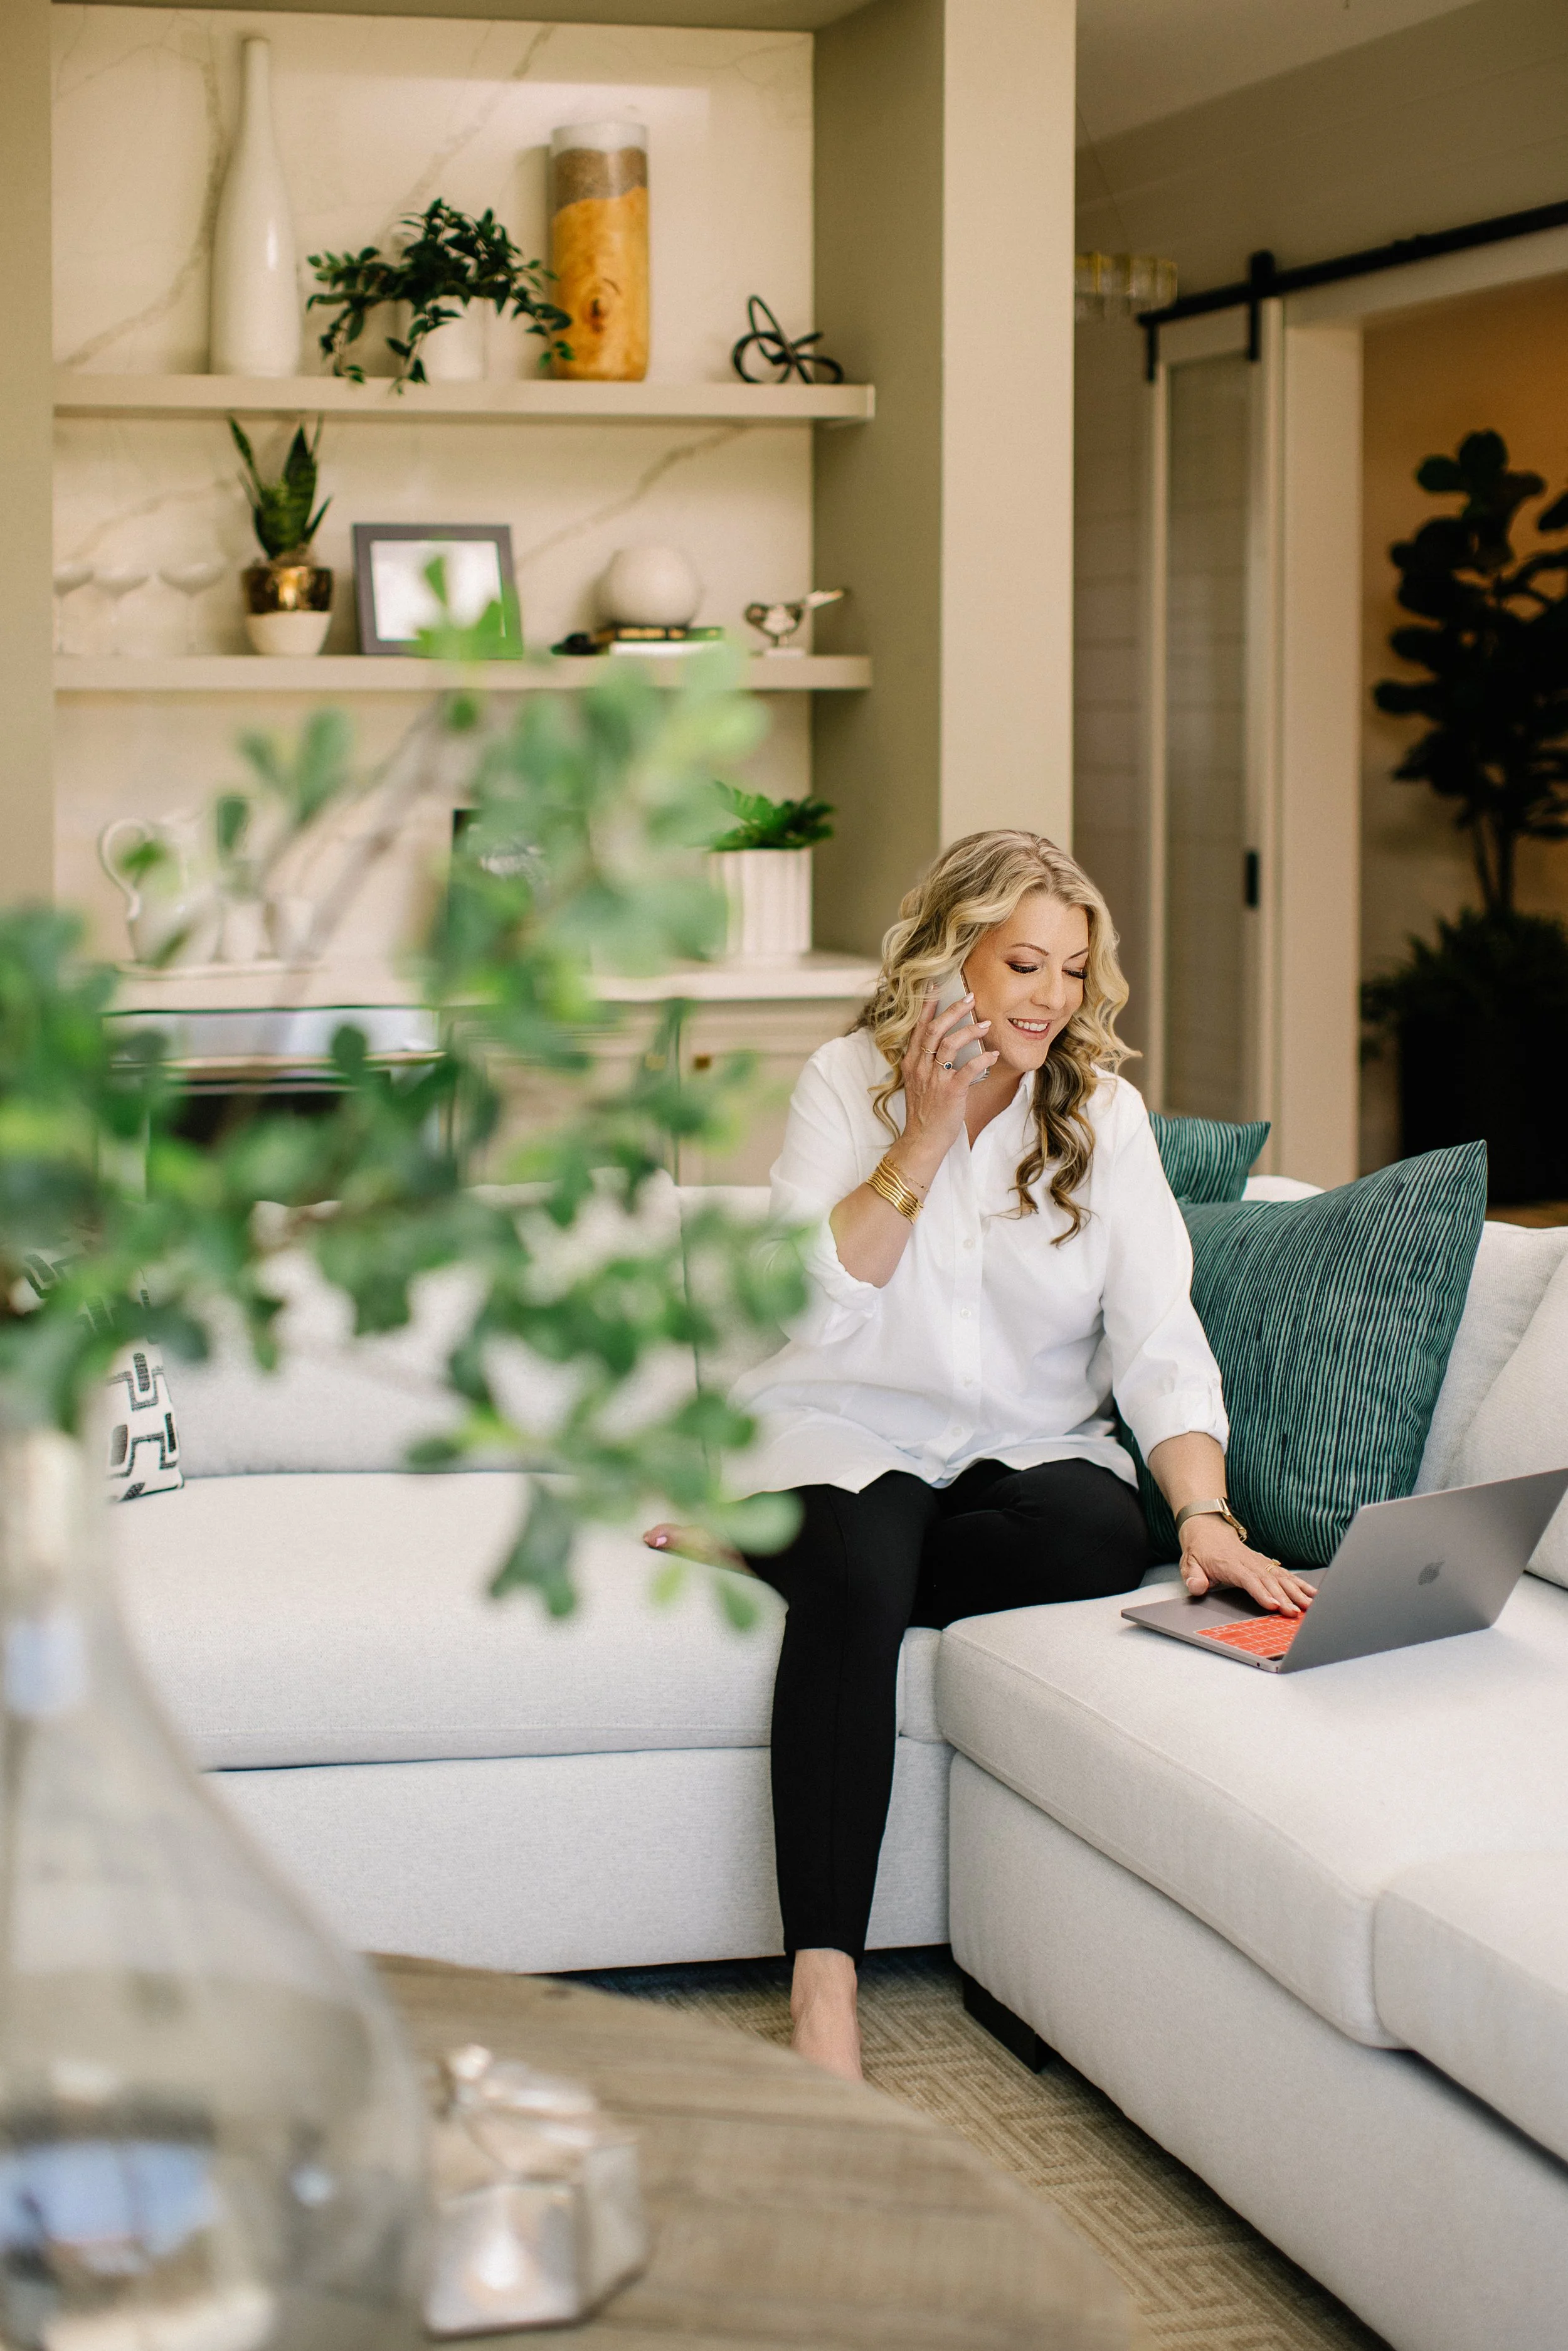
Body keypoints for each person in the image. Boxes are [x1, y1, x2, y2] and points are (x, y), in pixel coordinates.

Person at [645, 831, 1313, 2081]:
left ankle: (779, 1546)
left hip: (1020, 1440)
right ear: (953, 957)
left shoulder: (1101, 1116)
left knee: (1100, 1534)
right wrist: (926, 1131)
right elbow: (815, 1306)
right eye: (1022, 963)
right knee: (862, 1549)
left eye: (1071, 969)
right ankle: (823, 1991)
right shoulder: (846, 1080)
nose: (1052, 998)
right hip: (843, 1419)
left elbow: (1156, 1334)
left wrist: (1204, 1516)